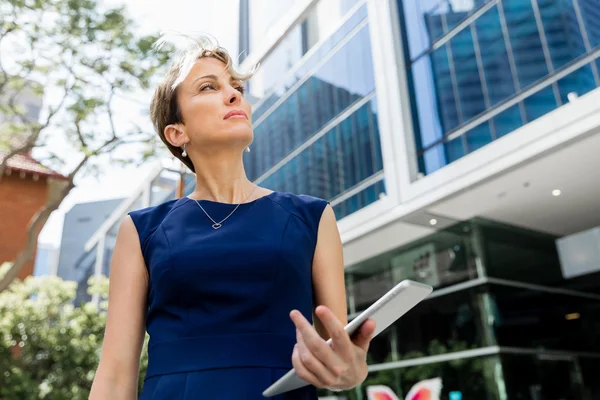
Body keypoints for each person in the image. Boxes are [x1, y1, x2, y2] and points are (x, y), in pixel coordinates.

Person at [89, 35, 376, 400]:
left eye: (236, 86)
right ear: (178, 133)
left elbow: (333, 352)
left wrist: (350, 371)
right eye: (209, 87)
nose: (233, 94)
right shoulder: (142, 229)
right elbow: (115, 374)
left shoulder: (313, 217)